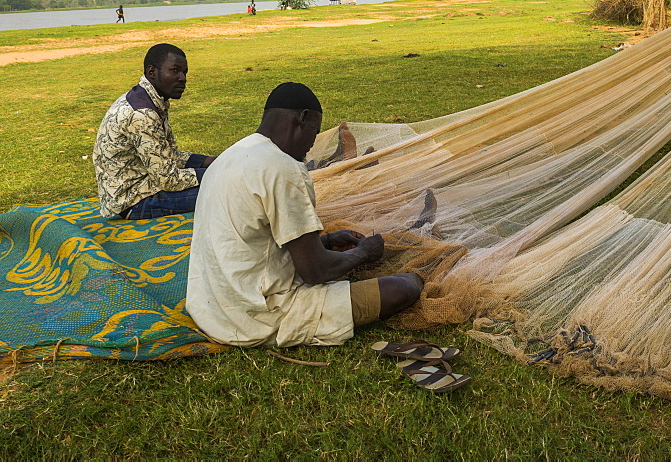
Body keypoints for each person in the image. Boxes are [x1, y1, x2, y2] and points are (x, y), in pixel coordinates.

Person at [186, 82, 423, 347]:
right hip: (256, 318)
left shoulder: (231, 155)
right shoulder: (283, 168)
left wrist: (326, 241)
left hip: (211, 309)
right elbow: (315, 271)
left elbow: (253, 242)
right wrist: (363, 252)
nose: (312, 145)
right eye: (315, 132)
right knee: (407, 285)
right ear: (303, 118)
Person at [93, 43, 216, 219]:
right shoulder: (142, 114)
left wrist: (208, 161)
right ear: (152, 72)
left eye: (184, 72)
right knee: (228, 189)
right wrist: (216, 172)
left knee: (222, 177)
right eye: (175, 70)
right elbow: (168, 179)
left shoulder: (145, 98)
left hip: (142, 186)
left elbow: (165, 156)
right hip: (134, 201)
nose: (183, 78)